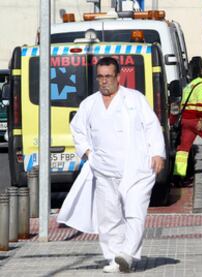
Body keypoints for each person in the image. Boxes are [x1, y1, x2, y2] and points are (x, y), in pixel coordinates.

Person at [57, 57, 165, 273]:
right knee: (109, 217)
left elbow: (152, 126)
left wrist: (157, 153)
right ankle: (114, 257)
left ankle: (128, 254)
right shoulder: (89, 104)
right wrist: (87, 152)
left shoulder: (134, 99)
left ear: (118, 77)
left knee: (135, 211)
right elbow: (77, 129)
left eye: (108, 76)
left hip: (136, 168)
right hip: (103, 170)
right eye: (100, 77)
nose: (104, 81)